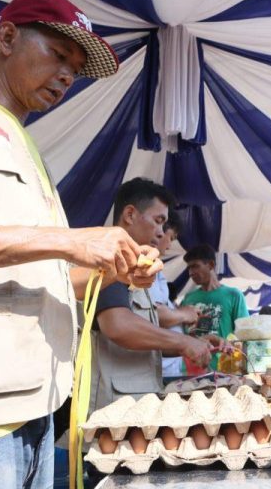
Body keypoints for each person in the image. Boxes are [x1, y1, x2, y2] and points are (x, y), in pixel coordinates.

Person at [0, 0, 162, 488]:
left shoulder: (31, 152)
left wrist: (112, 270)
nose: (68, 74)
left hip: (38, 416)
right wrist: (65, 240)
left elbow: (40, 270)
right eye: (57, 53)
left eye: (76, 66)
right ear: (6, 38)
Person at [89, 178, 215, 415]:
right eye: (158, 221)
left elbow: (146, 343)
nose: (160, 233)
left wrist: (194, 345)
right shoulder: (109, 257)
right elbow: (118, 325)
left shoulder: (138, 267)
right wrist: (183, 341)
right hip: (112, 413)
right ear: (130, 215)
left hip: (135, 406)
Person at [181, 244, 249, 370]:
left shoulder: (233, 295)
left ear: (211, 265)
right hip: (192, 368)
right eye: (189, 268)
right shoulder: (188, 299)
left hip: (225, 368)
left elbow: (243, 335)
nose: (191, 273)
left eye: (195, 266)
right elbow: (181, 335)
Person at [149, 214, 200, 377]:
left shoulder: (157, 273)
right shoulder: (142, 270)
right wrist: (185, 314)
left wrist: (196, 340)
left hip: (166, 367)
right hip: (157, 370)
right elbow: (154, 315)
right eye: (171, 237)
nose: (170, 244)